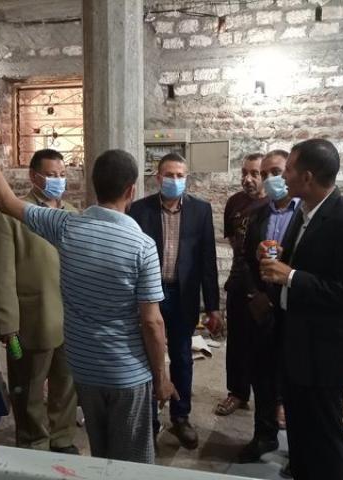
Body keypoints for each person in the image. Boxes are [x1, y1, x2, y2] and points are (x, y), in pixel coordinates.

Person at [0, 123, 177, 464]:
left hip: (85, 369)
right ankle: (37, 442)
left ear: (92, 185)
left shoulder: (67, 224)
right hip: (125, 372)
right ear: (131, 190)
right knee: (131, 462)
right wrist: (161, 378)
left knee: (100, 454)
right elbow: (152, 323)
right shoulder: (142, 246)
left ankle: (62, 441)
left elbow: (5, 200)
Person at [259, 139, 343, 479]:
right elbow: (303, 264)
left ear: (307, 177)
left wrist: (291, 276)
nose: (284, 176)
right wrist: (274, 258)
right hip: (298, 346)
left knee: (325, 438)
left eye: (289, 169)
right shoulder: (305, 213)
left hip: (326, 355)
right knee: (301, 434)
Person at [0, 148, 78, 454]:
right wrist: (6, 322)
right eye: (51, 175)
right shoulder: (11, 215)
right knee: (28, 388)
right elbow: (1, 273)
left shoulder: (71, 213)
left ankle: (62, 438)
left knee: (66, 384)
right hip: (31, 319)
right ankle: (33, 441)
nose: (58, 180)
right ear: (33, 176)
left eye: (62, 174)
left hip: (70, 318)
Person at [129, 153, 222, 450]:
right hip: (149, 295)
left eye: (180, 175)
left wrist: (213, 306)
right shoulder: (139, 210)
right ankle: (150, 420)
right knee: (149, 356)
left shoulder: (200, 210)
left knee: (182, 356)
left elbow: (207, 260)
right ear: (158, 178)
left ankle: (181, 416)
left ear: (187, 178)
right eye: (169, 175)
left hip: (183, 295)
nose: (175, 180)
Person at [239, 149, 300, 464]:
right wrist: (254, 294)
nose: (269, 179)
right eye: (264, 174)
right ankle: (264, 436)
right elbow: (246, 259)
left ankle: (299, 452)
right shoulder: (258, 213)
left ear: (290, 172)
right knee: (262, 375)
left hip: (297, 309)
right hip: (263, 307)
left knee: (295, 381)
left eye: (275, 171)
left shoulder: (306, 214)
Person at [215, 153, 267, 416]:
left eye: (254, 173)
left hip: (266, 288)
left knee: (267, 346)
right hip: (238, 283)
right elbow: (235, 244)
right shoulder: (234, 203)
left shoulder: (275, 204)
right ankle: (237, 392)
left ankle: (274, 400)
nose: (247, 179)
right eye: (244, 173)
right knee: (236, 343)